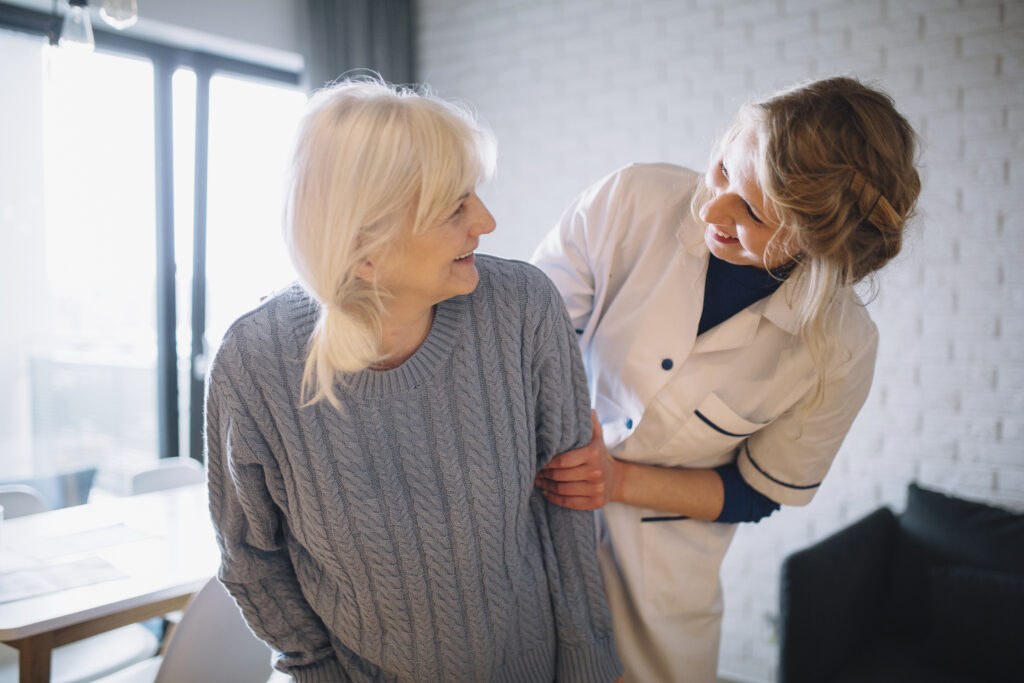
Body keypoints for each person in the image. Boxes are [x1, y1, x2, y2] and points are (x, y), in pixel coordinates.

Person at [205, 77, 623, 683]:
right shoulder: (255, 362)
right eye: (455, 207)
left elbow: (566, 511)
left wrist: (589, 663)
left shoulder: (524, 306)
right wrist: (314, 669)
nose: (487, 220)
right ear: (365, 251)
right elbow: (250, 559)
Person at [531, 76, 921, 682]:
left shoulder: (839, 350)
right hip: (531, 524)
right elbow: (522, 338)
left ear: (818, 244)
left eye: (753, 214)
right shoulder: (631, 200)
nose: (712, 211)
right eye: (720, 171)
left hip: (662, 578)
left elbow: (757, 492)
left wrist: (618, 480)